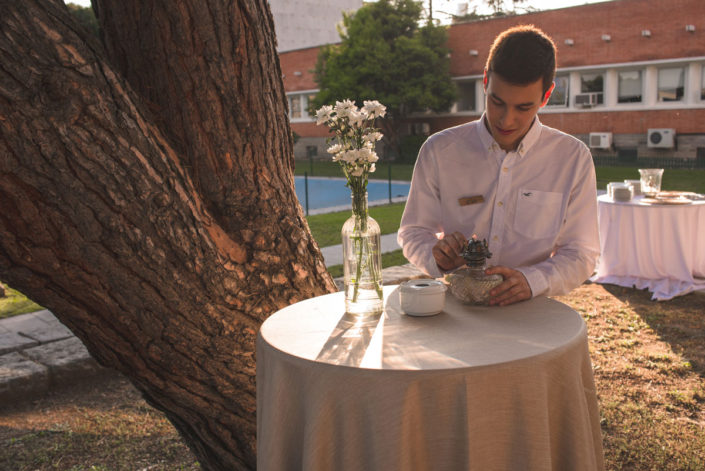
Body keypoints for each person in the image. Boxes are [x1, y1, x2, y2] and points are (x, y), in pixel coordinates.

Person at [397, 24, 600, 306]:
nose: (506, 120)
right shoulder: (439, 151)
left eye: (523, 108)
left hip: (531, 311)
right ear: (485, 81)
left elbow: (582, 252)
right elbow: (413, 232)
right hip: (458, 310)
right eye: (497, 101)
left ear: (546, 95)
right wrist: (436, 256)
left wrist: (532, 280)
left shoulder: (572, 159)